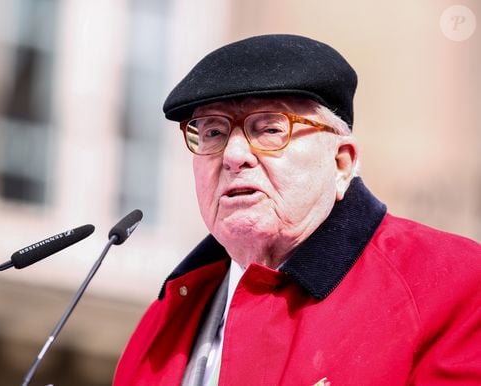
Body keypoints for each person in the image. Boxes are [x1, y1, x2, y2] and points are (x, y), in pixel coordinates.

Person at [113, 34, 481, 385]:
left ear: (341, 163)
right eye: (212, 133)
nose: (234, 156)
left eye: (270, 129)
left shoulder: (450, 282)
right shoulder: (165, 319)